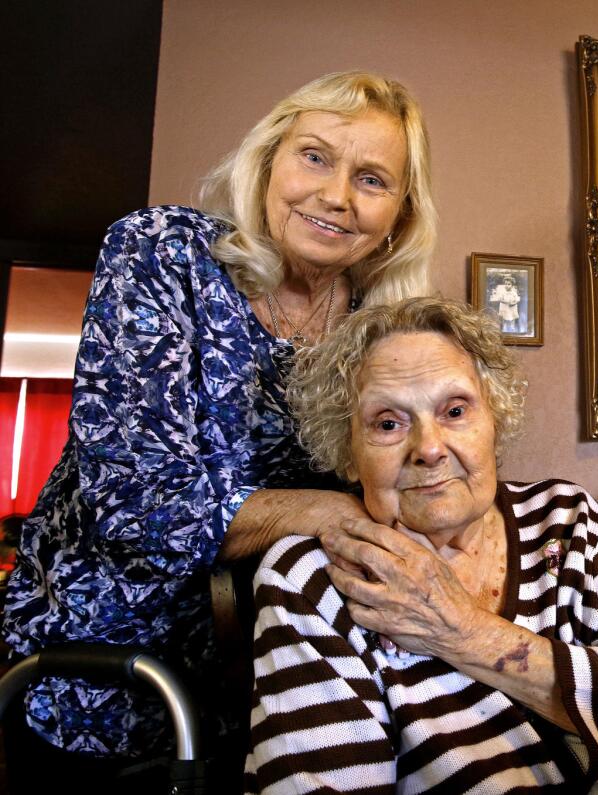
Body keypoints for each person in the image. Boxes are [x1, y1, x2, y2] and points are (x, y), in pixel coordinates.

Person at [1, 71, 436, 786]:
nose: (336, 195)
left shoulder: (381, 332)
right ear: (269, 161)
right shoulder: (162, 254)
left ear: (399, 215)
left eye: (372, 178)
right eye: (316, 157)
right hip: (96, 684)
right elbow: (144, 510)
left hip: (273, 690)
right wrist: (331, 510)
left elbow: (413, 491)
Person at [245, 298, 598, 793]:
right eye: (387, 423)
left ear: (495, 422)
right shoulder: (315, 581)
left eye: (455, 410)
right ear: (348, 452)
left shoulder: (567, 520)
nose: (428, 448)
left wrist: (463, 631)